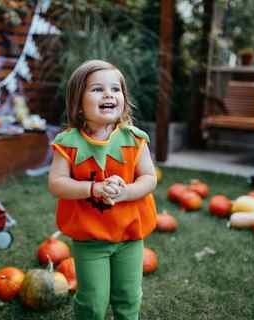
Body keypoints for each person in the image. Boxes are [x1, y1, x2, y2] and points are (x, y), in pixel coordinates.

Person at [48, 59, 157, 320]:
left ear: (123, 98)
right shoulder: (69, 143)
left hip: (130, 235)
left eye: (115, 89)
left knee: (129, 297)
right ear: (79, 103)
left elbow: (149, 178)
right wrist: (94, 188)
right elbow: (57, 184)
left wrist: (126, 192)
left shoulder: (135, 139)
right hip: (90, 239)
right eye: (97, 89)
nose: (108, 94)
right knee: (93, 302)